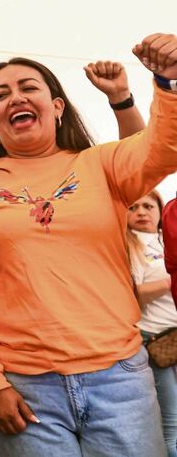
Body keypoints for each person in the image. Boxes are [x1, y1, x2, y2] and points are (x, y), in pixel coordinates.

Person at [0, 34, 177, 457]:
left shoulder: (101, 163)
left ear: (56, 107)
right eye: (1, 94)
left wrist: (169, 83)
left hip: (120, 379)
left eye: (28, 87)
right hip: (25, 388)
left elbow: (162, 151)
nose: (15, 97)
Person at [126, 190, 177, 457]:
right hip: (156, 343)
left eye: (148, 205)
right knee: (172, 423)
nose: (142, 212)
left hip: (175, 336)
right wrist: (172, 278)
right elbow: (133, 294)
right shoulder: (129, 245)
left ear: (160, 210)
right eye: (133, 207)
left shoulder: (164, 238)